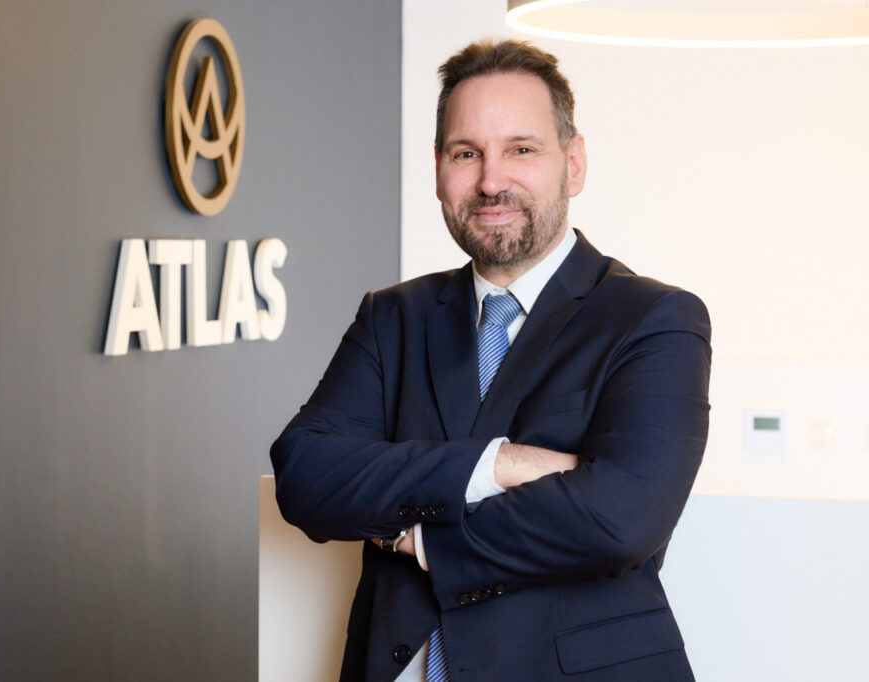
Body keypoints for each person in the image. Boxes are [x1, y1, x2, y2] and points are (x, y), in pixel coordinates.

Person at [271, 39, 710, 682]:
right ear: (439, 170)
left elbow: (621, 519)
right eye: (466, 153)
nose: (491, 181)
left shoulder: (654, 318)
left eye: (521, 150)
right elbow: (305, 475)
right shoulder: (393, 316)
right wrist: (501, 464)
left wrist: (424, 537)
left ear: (573, 164)